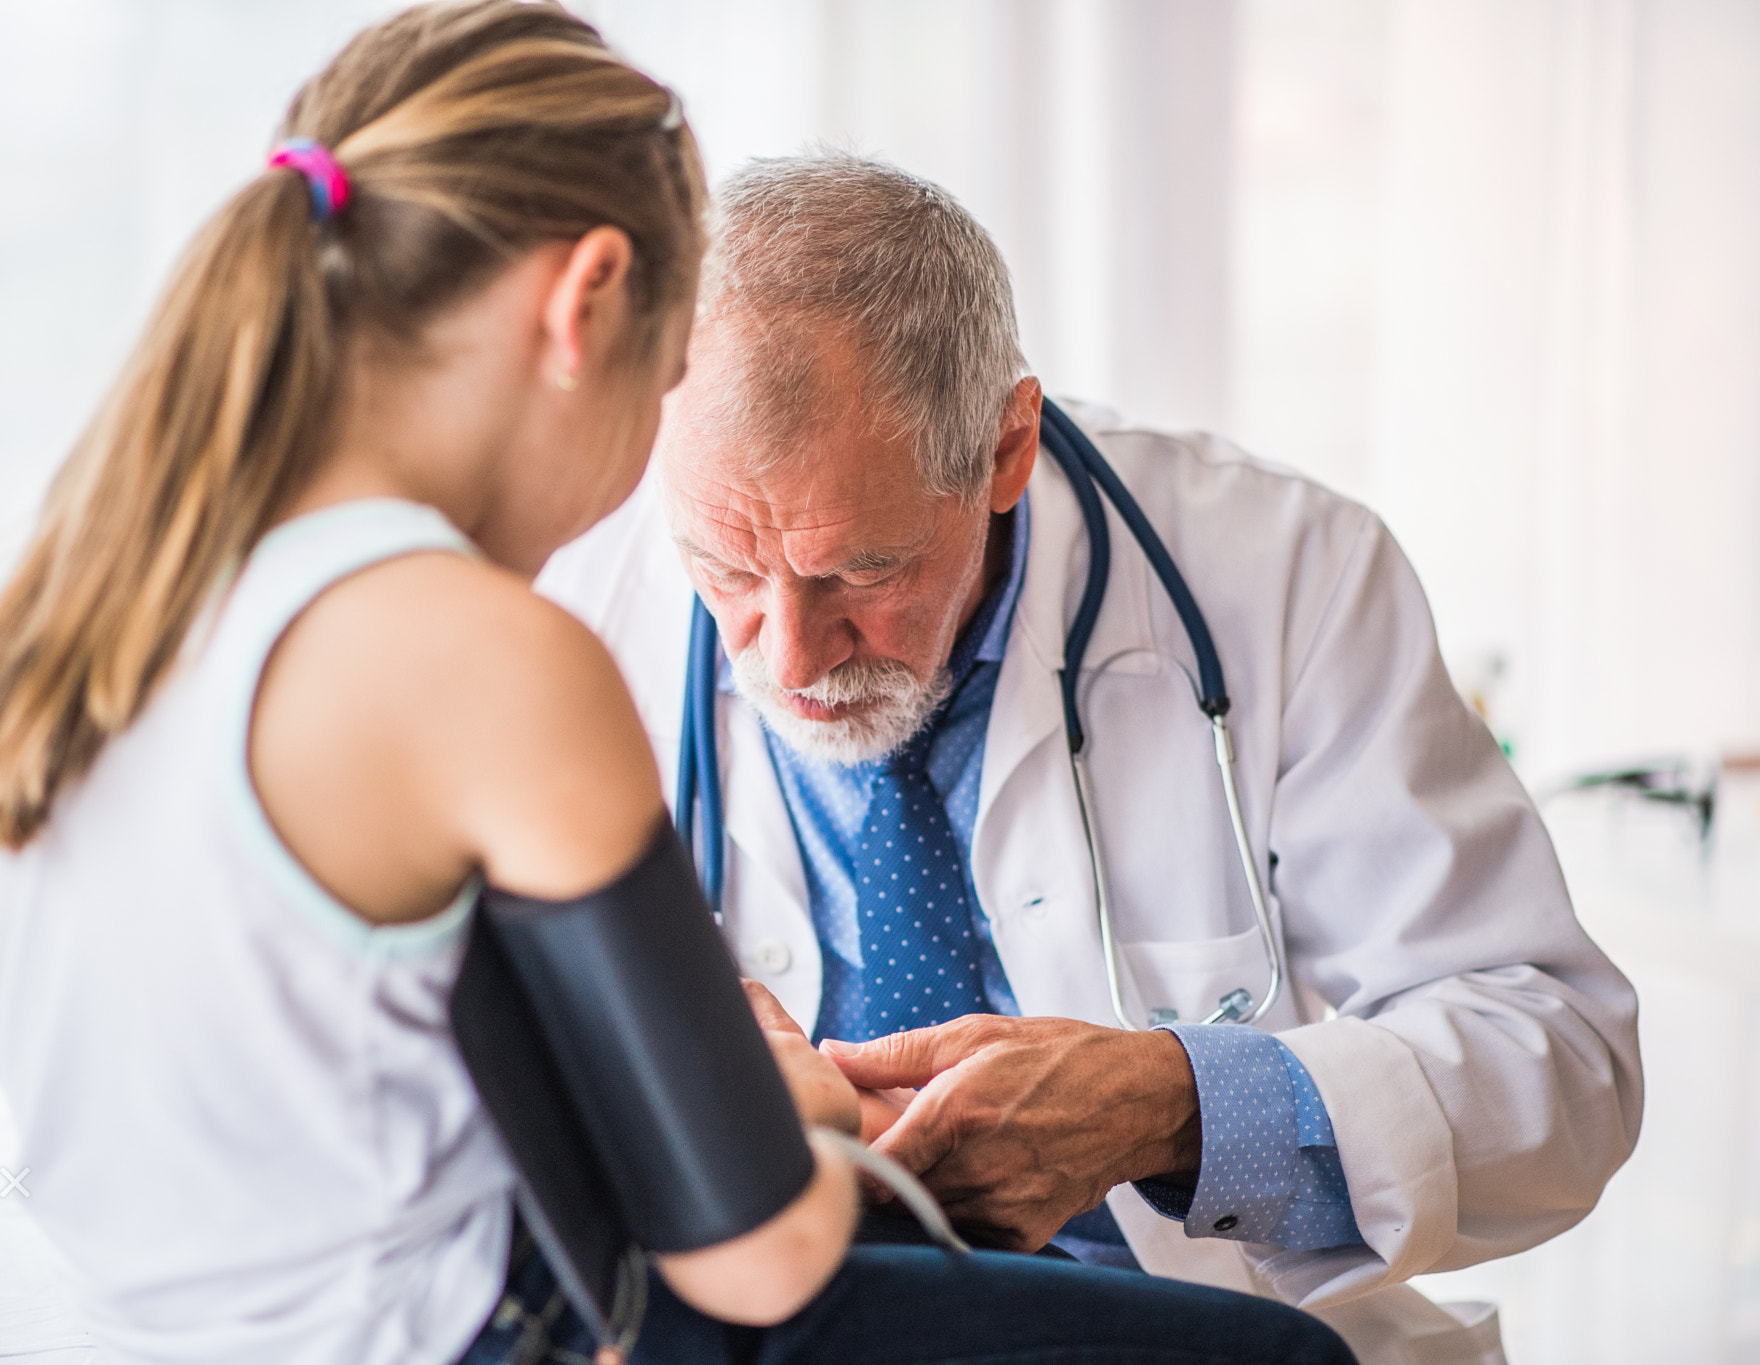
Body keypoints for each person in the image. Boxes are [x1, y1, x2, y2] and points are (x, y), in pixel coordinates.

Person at [0, 4, 1357, 1364]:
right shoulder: (482, 649)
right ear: (587, 301)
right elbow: (758, 1258)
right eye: (666, 374)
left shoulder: (107, 600)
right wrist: (783, 1096)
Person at [537, 153, 1644, 1361]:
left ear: (1007, 447)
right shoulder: (561, 607)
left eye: (863, 572)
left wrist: (1181, 1106)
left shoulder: (1285, 572)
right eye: (728, 574)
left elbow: (1560, 1065)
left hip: (1213, 1328)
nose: (790, 655)